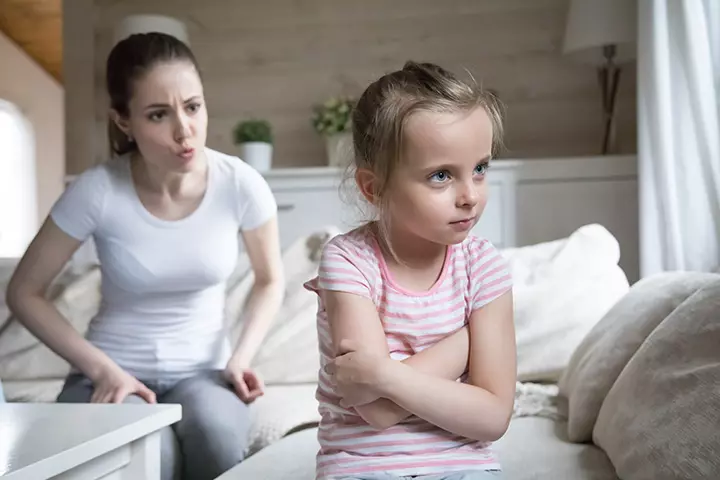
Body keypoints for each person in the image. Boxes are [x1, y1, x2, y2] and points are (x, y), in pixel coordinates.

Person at [5, 32, 284, 480]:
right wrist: (102, 370)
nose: (184, 130)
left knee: (215, 437)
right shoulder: (96, 190)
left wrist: (241, 357)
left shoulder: (240, 183)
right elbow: (24, 292)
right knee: (151, 456)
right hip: (110, 371)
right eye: (159, 114)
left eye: (193, 107)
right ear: (124, 121)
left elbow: (271, 279)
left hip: (205, 373)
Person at [304, 61, 516, 480]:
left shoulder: (484, 267)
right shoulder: (348, 261)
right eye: (441, 175)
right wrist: (466, 343)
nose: (470, 195)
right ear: (374, 187)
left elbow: (493, 417)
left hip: (466, 465)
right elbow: (376, 409)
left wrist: (383, 372)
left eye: (480, 168)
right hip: (363, 467)